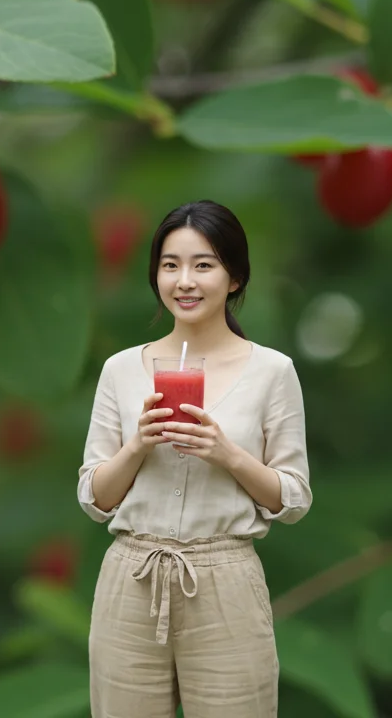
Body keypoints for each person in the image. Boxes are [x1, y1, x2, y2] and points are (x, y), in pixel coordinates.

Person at [77, 200, 312, 717]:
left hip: (224, 578)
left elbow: (293, 496)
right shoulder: (122, 370)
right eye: (170, 265)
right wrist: (138, 444)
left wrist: (227, 454)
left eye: (203, 265)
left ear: (234, 278)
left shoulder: (272, 372)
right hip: (132, 575)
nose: (185, 280)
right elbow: (94, 497)